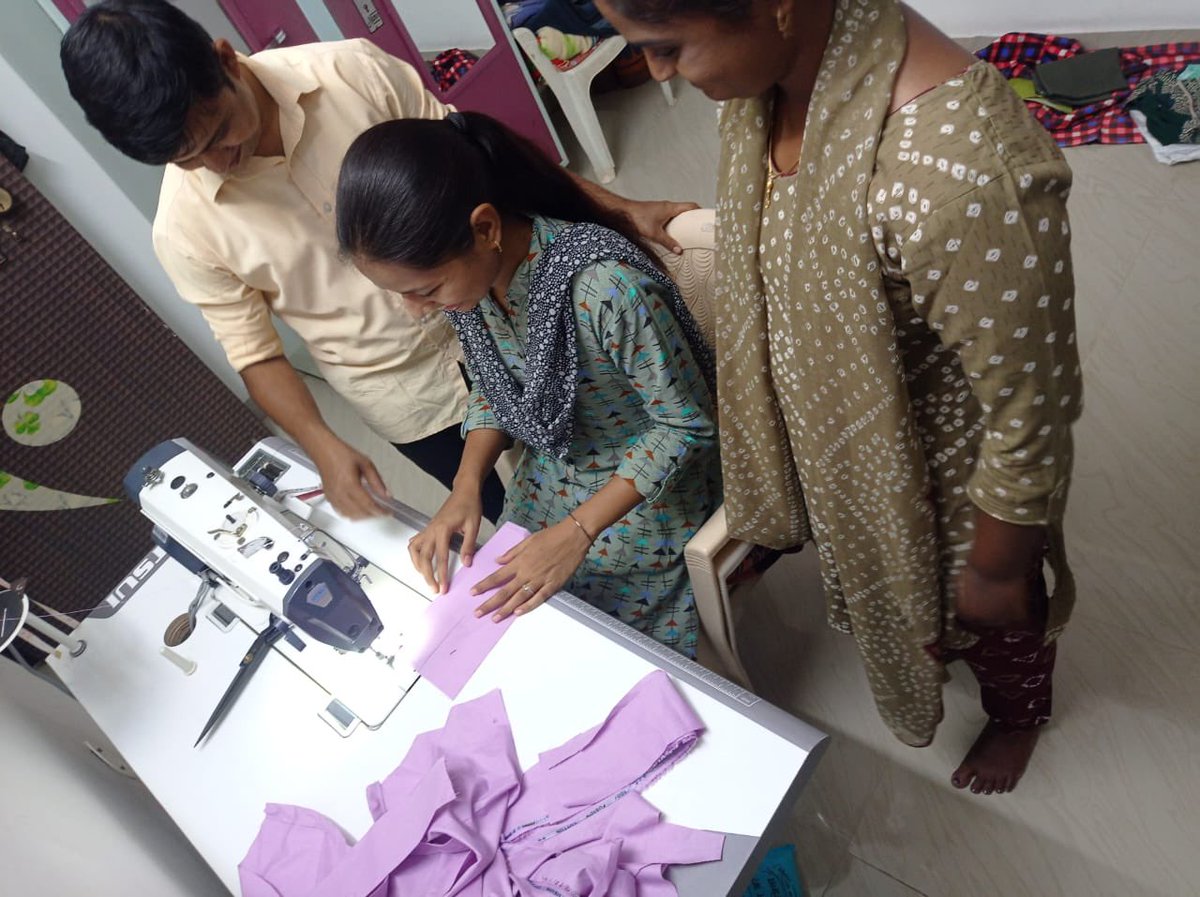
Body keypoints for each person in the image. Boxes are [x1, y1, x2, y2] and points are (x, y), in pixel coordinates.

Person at [596, 0, 1083, 795]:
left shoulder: (956, 169)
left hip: (960, 482)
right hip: (865, 452)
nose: (654, 74)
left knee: (1000, 625)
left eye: (666, 48)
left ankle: (1020, 712)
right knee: (924, 606)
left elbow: (1031, 407)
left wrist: (998, 565)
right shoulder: (776, 81)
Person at [60, 0, 696, 522]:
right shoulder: (184, 228)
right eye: (186, 159)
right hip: (401, 390)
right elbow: (256, 356)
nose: (214, 163)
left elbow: (482, 161)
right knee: (502, 519)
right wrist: (324, 447)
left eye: (218, 135)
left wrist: (616, 209)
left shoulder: (350, 73)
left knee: (607, 454)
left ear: (224, 59)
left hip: (508, 315)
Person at [336, 111, 721, 657]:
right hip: (564, 466)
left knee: (580, 637)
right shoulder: (475, 285)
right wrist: (465, 486)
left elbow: (686, 426)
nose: (415, 311)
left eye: (424, 289)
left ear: (485, 228)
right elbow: (497, 385)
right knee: (503, 606)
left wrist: (577, 533)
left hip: (656, 480)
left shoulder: (604, 289)